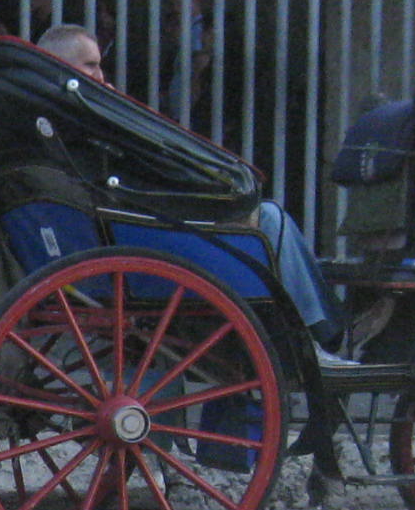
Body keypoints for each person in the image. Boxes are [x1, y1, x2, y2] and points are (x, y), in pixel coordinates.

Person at [37, 22, 340, 349]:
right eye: (90, 65)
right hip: (136, 240)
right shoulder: (85, 118)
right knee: (270, 220)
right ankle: (319, 335)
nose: (100, 76)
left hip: (100, 241)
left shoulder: (49, 122)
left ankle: (315, 330)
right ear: (61, 66)